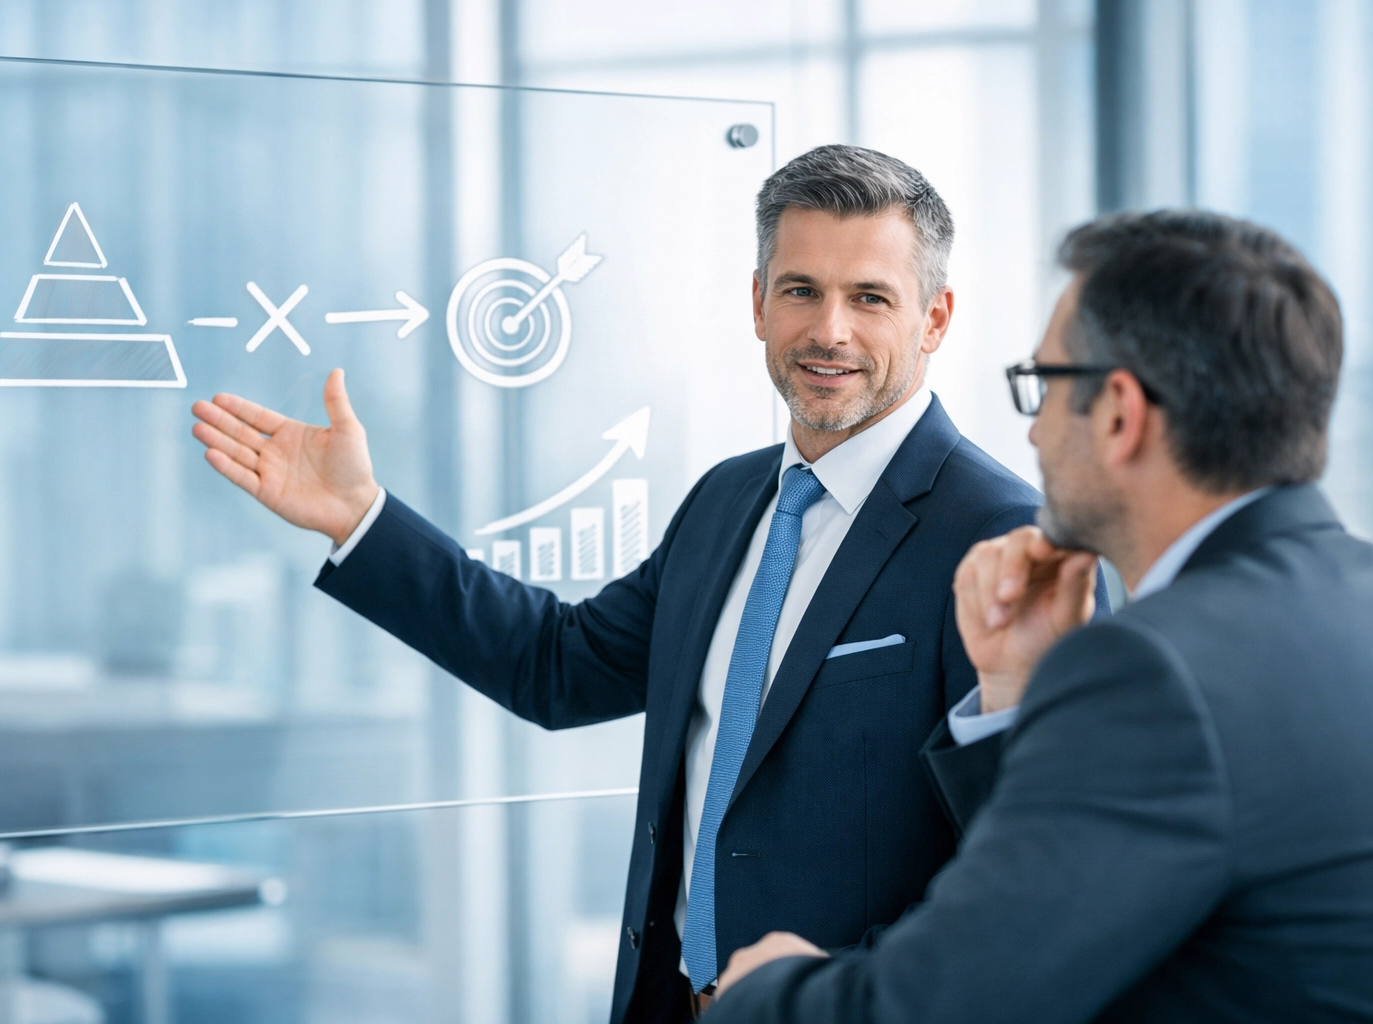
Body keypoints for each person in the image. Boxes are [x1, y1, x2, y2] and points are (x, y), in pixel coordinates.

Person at [191, 145, 1102, 1024]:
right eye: (801, 291)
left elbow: (1024, 860)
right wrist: (361, 520)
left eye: (871, 297)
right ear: (757, 304)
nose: (830, 330)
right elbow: (557, 666)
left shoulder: (1006, 540)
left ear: (935, 318)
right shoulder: (729, 499)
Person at [706, 210, 1373, 1024]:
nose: (1034, 429)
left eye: (1046, 386)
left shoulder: (1152, 671)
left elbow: (944, 1004)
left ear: (1120, 414)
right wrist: (1021, 690)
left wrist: (758, 990)